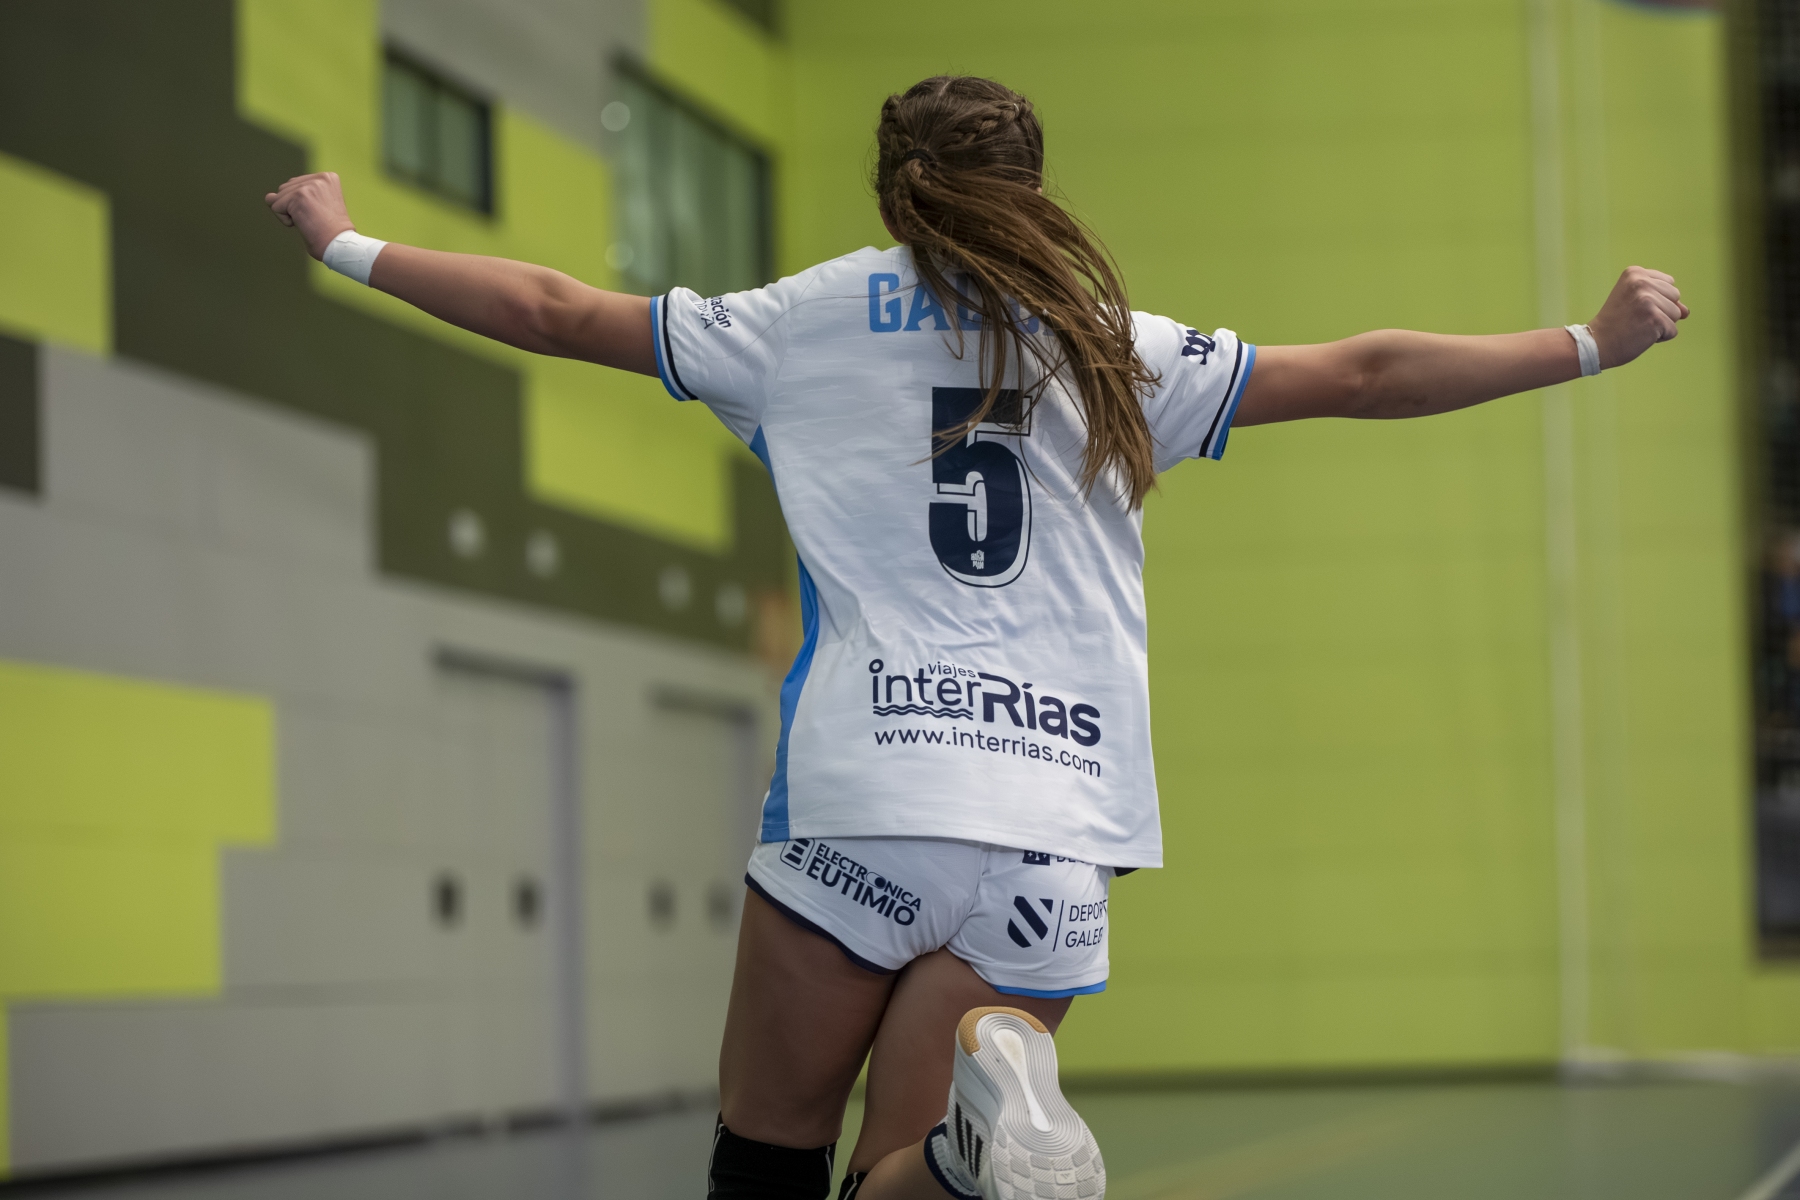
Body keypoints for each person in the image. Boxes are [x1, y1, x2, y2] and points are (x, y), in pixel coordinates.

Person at [267, 74, 1687, 1200]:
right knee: (904, 1173)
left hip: (866, 802)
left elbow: (554, 310)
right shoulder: (1115, 341)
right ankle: (958, 1155)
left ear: (893, 188)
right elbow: (1367, 374)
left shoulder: (800, 321)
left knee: (765, 1159)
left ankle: (960, 1155)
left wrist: (345, 241)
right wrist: (1588, 342)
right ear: (1035, 191)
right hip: (1055, 826)